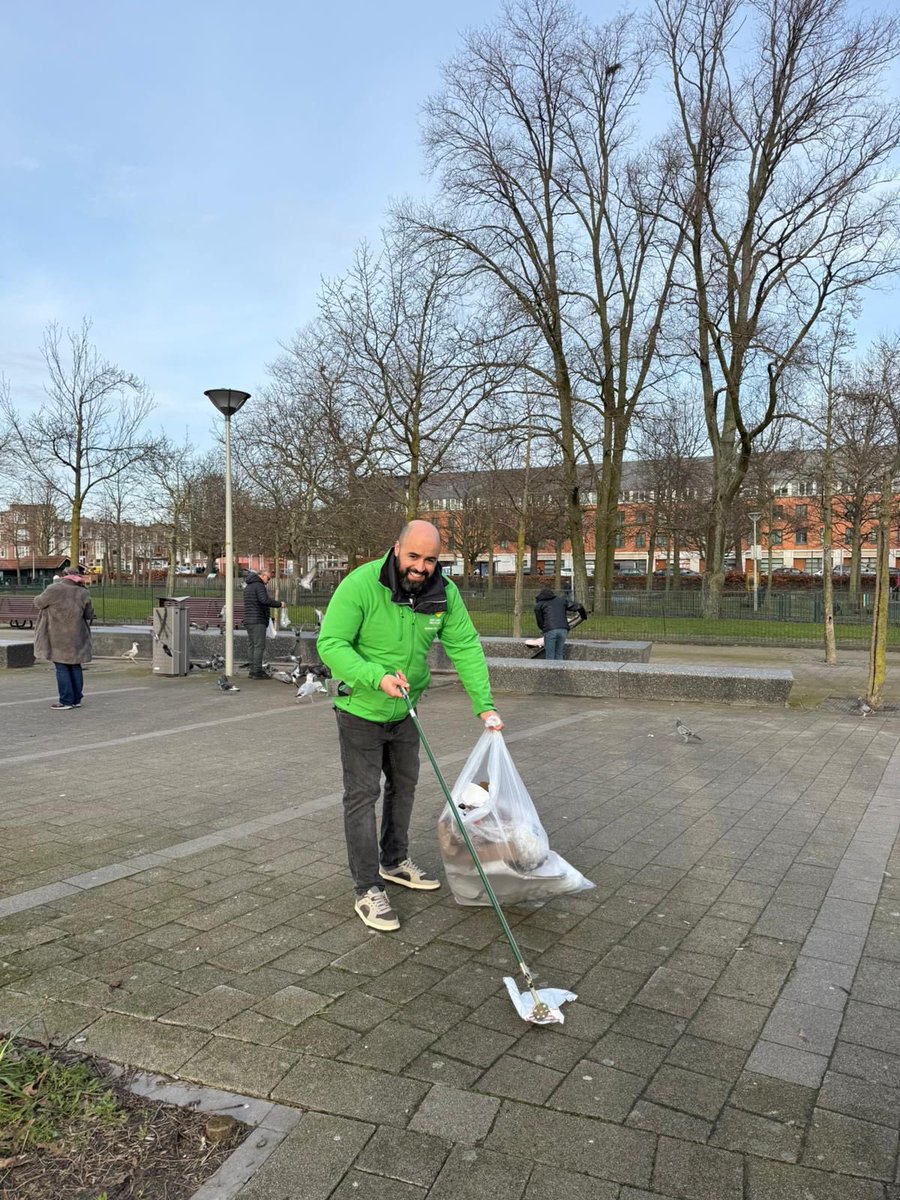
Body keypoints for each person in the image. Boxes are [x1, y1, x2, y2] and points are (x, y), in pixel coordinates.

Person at [318, 520, 503, 932]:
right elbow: (330, 644)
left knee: (405, 785)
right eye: (414, 557)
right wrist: (374, 677)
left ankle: (394, 860)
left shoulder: (444, 594)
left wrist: (484, 707)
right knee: (363, 795)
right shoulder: (362, 584)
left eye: (431, 559)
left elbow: (466, 646)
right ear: (397, 548)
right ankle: (367, 887)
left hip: (405, 710)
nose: (421, 567)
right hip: (361, 708)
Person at [34, 565, 95, 710]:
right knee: (75, 665)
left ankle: (66, 700)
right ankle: (76, 699)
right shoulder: (83, 592)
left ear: (63, 575)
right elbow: (89, 614)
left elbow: (38, 602)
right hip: (77, 634)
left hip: (57, 634)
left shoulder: (54, 589)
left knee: (61, 666)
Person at [242, 569, 283, 679]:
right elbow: (264, 600)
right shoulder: (259, 586)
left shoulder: (248, 586)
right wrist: (279, 604)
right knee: (259, 646)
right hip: (257, 620)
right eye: (268, 578)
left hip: (248, 620)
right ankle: (257, 672)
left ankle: (252, 670)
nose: (268, 581)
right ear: (262, 575)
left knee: (252, 645)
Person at [533, 586, 585, 660]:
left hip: (550, 630)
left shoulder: (539, 605)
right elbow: (578, 606)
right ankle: (559, 670)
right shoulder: (561, 600)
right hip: (563, 629)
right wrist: (583, 616)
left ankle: (550, 670)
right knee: (559, 652)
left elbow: (540, 621)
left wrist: (543, 629)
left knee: (550, 654)